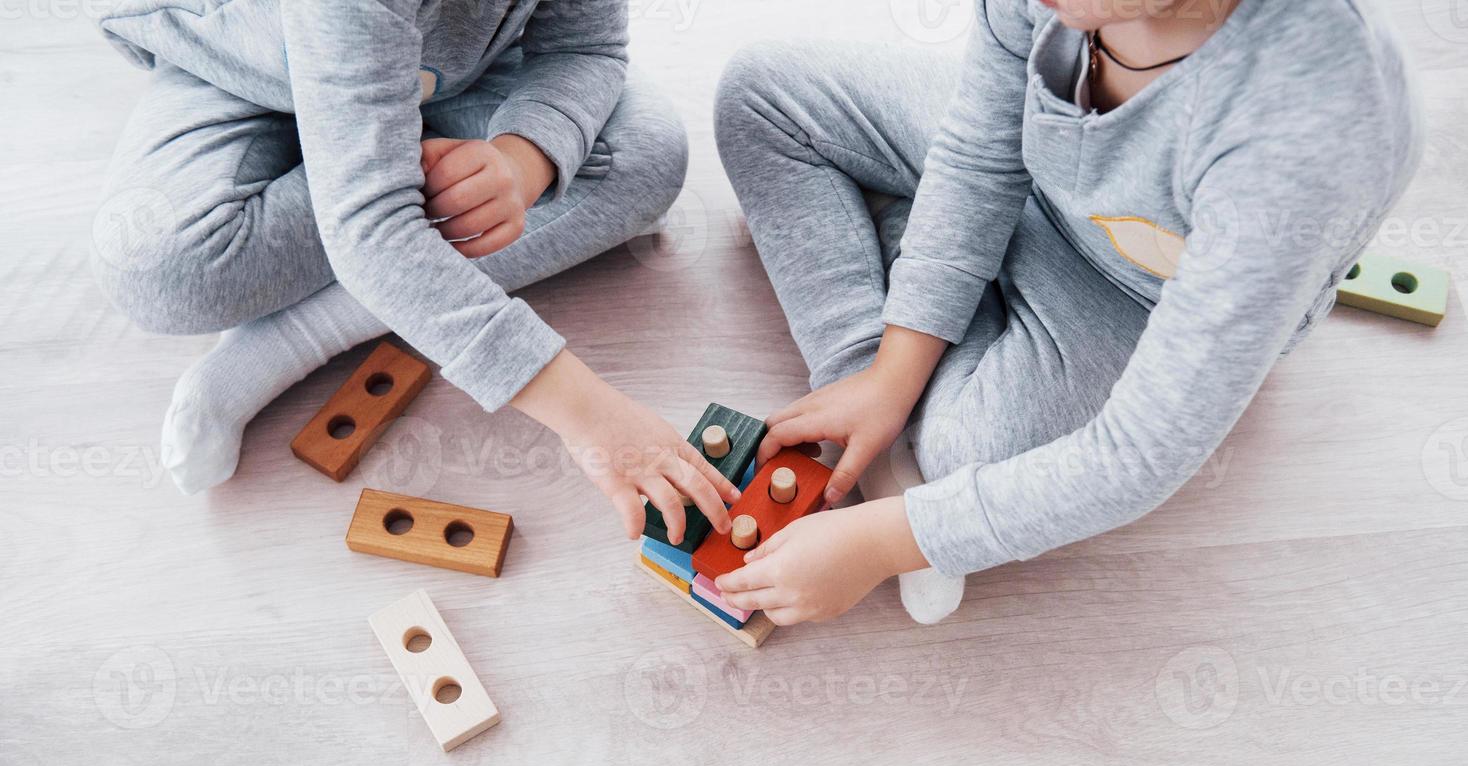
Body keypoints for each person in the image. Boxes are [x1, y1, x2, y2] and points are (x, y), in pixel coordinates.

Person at [711, 0, 1422, 624]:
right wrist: (890, 374)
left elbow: (1139, 455)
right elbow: (979, 156)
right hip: (1035, 180)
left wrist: (889, 542)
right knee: (761, 95)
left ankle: (906, 300)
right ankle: (873, 388)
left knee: (963, 453)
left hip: (1135, 297)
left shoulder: (1305, 127)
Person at [91, 0, 737, 546]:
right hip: (257, 66)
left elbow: (586, 48)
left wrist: (522, 160)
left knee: (646, 152)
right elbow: (370, 229)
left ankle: (312, 311)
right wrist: (590, 413)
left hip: (445, 71)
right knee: (155, 262)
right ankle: (320, 298)